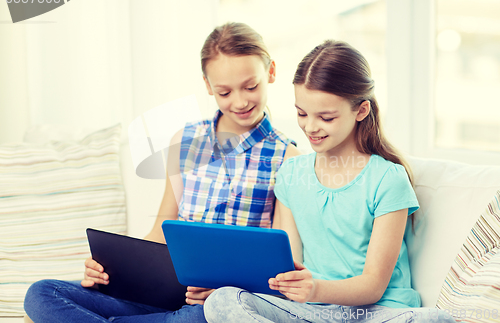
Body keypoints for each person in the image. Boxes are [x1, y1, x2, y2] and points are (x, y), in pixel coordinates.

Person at [23, 22, 300, 323]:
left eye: (251, 86)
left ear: (271, 72)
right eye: (224, 92)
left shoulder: (287, 157)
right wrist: (112, 270)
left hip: (215, 304)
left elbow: (277, 263)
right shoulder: (185, 140)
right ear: (208, 86)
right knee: (42, 293)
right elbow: (161, 229)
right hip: (160, 292)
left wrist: (228, 291)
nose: (240, 101)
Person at [203, 40, 457, 323]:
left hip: (378, 312)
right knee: (223, 300)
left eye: (325, 117)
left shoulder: (388, 179)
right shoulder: (291, 173)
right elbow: (286, 265)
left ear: (360, 111)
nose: (310, 127)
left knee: (434, 319)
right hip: (313, 312)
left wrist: (315, 288)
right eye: (302, 114)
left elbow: (373, 285)